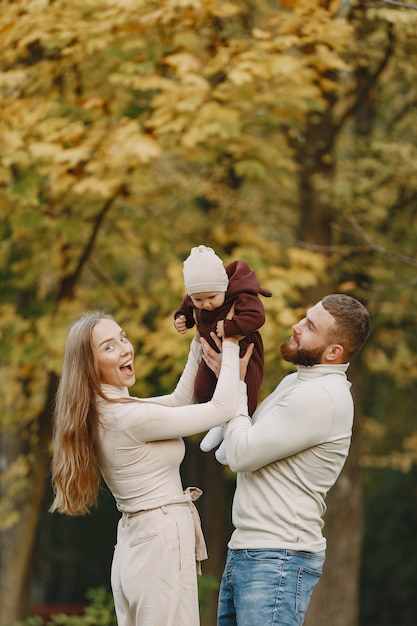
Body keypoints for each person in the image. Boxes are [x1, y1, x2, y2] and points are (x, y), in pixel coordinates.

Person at [49, 311, 243, 626]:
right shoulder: (127, 418)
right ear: (90, 365)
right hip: (157, 542)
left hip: (141, 539)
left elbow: (181, 400)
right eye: (109, 347)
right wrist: (232, 339)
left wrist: (198, 341)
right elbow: (223, 408)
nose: (126, 349)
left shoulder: (115, 411)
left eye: (123, 338)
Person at [200, 293, 370, 626]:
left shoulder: (320, 397)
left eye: (309, 326)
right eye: (304, 318)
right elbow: (235, 440)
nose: (296, 326)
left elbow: (239, 453)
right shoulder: (296, 383)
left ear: (334, 351)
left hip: (277, 556)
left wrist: (233, 381)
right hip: (252, 550)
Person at [174, 245, 271, 462]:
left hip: (245, 350)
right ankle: (220, 422)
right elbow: (186, 307)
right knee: (202, 389)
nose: (206, 304)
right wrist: (182, 319)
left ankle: (236, 433)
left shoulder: (241, 295)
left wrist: (232, 326)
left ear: (224, 287)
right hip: (211, 351)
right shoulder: (196, 297)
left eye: (211, 297)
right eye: (199, 300)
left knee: (245, 390)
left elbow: (257, 317)